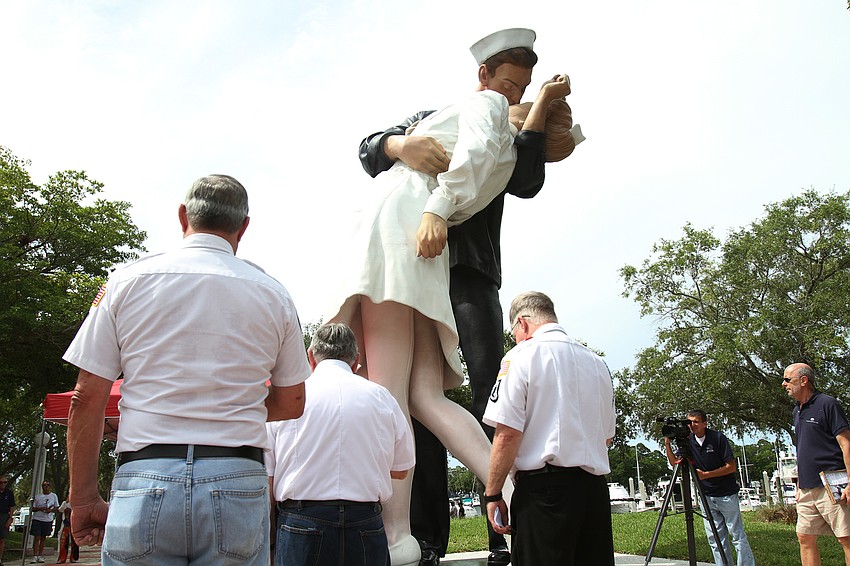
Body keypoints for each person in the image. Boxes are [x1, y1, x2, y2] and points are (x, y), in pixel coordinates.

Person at [358, 27, 581, 565]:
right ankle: (425, 534)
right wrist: (398, 144)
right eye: (506, 84)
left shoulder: (510, 133)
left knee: (486, 391)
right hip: (420, 254)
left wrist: (540, 110)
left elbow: (526, 179)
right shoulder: (453, 112)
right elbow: (369, 151)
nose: (511, 95)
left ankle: (499, 531)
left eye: (519, 89)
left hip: (467, 271)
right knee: (420, 402)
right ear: (484, 75)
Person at [63, 174, 311, 566]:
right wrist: (227, 401)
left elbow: (86, 398)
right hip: (236, 476)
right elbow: (292, 402)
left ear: (183, 216)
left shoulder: (126, 281)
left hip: (144, 475)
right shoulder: (274, 294)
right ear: (243, 227)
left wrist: (83, 499)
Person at [483, 291, 616, 566]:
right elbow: (607, 437)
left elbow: (507, 433)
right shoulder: (597, 363)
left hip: (545, 495)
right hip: (594, 491)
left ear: (522, 323)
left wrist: (493, 493)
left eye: (515, 332)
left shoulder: (520, 356)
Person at [266, 323, 415, 566]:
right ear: (356, 360)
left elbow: (268, 478)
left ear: (310, 357)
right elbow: (401, 469)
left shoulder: (288, 400)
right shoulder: (381, 398)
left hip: (301, 521)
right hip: (365, 520)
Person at [664, 410, 755, 566]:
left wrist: (706, 475)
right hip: (706, 495)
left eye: (696, 422)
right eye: (689, 422)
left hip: (726, 494)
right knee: (715, 538)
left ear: (705, 423)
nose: (692, 426)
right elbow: (675, 463)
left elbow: (731, 467)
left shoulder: (717, 438)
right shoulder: (688, 441)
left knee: (737, 535)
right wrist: (667, 443)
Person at [782, 363, 850, 566]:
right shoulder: (797, 410)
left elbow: (846, 444)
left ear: (803, 381)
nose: (783, 383)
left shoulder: (828, 404)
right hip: (806, 488)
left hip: (831, 484)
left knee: (846, 538)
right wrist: (800, 485)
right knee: (804, 537)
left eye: (787, 379)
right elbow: (804, 449)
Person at [30, 480, 59, 564]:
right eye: (44, 485)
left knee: (43, 538)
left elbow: (57, 508)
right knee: (37, 537)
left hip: (48, 519)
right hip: (38, 519)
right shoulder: (38, 496)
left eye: (48, 485)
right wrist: (41, 509)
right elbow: (33, 508)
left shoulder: (54, 496)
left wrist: (51, 510)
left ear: (50, 487)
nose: (46, 487)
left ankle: (40, 555)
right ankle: (35, 556)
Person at [0, 474, 16, 566]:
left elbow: (11, 507)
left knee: (2, 539)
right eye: (1, 482)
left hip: (4, 516)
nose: (2, 484)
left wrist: (10, 518)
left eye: (4, 482)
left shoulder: (9, 493)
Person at [57, 499, 79, 563]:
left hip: (74, 523)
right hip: (65, 524)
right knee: (64, 541)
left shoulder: (77, 502)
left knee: (74, 541)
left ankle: (73, 557)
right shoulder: (64, 503)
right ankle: (62, 558)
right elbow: (60, 510)